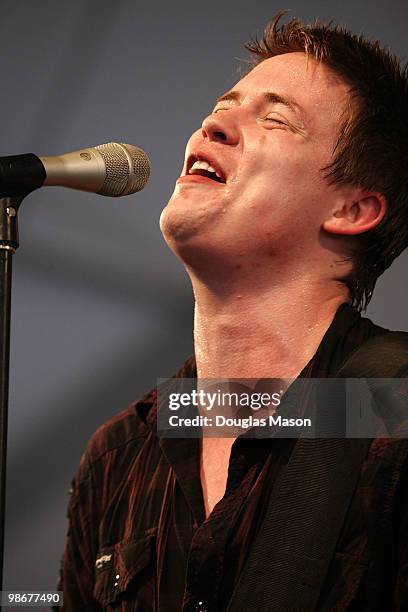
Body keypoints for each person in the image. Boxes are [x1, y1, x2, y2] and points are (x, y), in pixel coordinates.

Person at [56, 12, 408, 611]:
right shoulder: (117, 457)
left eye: (275, 118)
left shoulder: (395, 412)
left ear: (352, 210)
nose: (213, 124)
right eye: (223, 105)